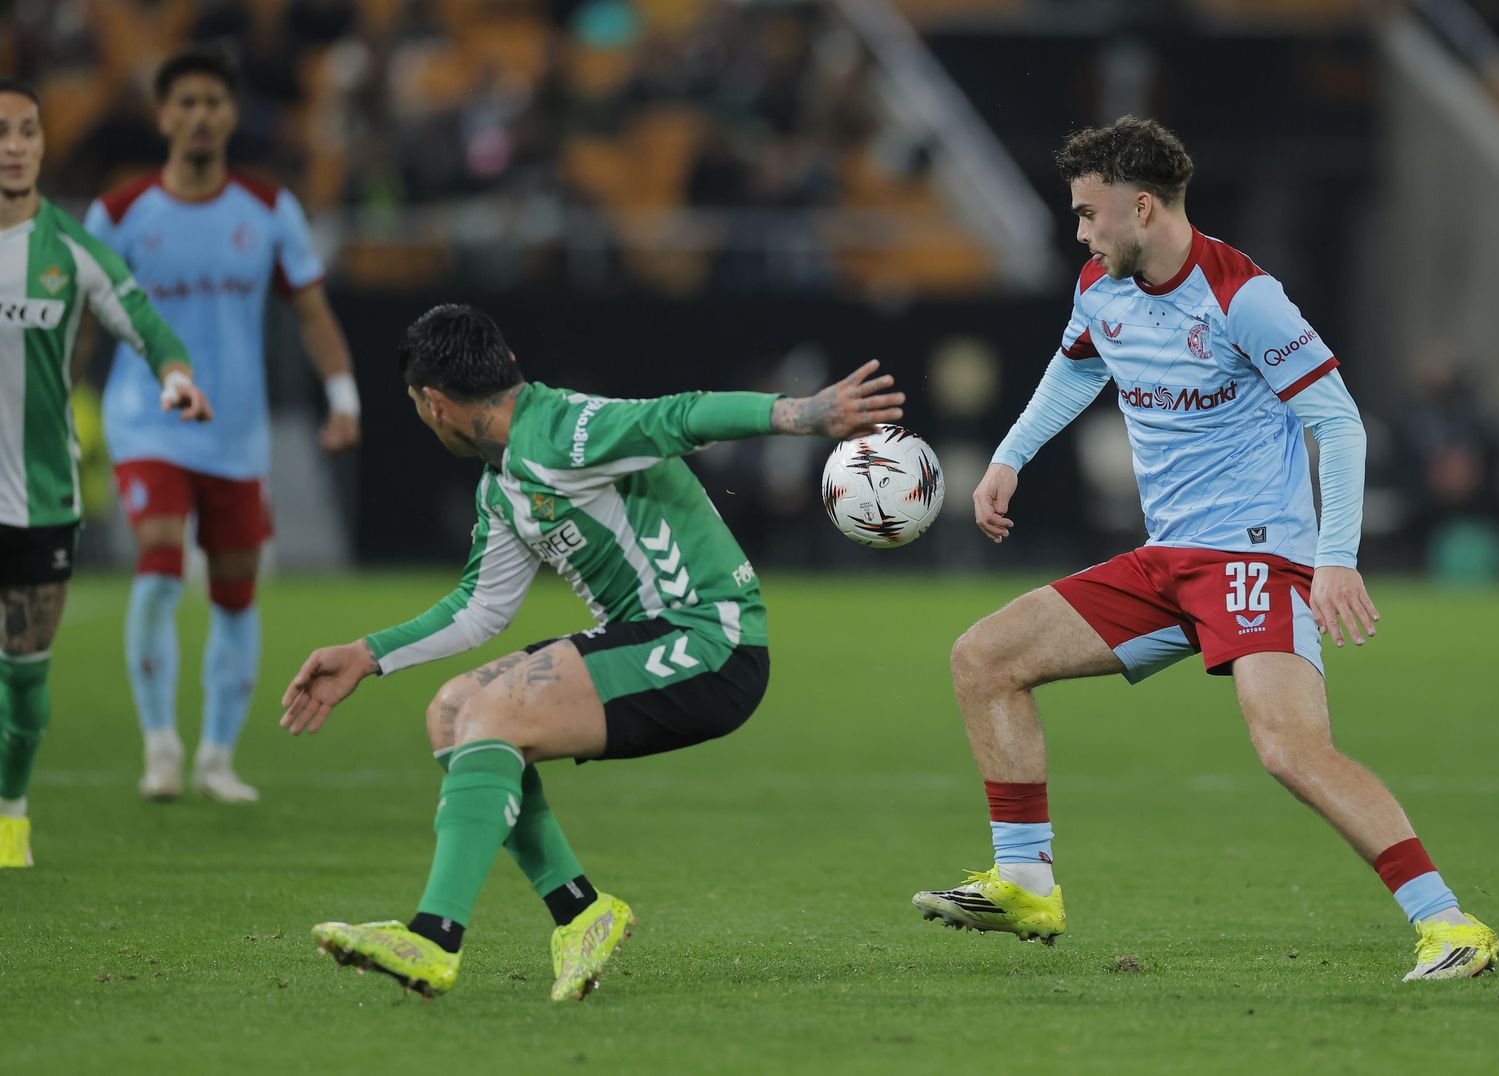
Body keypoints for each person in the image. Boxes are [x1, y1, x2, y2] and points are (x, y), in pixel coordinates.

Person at [909, 117, 1499, 983]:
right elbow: (1079, 367)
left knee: (1290, 750)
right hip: (1167, 561)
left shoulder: (1242, 295)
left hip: (1255, 558)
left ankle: (1450, 924)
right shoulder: (1100, 288)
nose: (1079, 232)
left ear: (1141, 207)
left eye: (1088, 213)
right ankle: (1025, 880)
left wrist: (1335, 556)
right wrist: (1009, 458)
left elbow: (1335, 420)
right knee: (984, 658)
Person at [278, 304, 904, 1001]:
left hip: (710, 641)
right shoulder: (504, 483)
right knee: (454, 712)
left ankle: (433, 936)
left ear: (432, 404)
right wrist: (369, 653)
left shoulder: (564, 432)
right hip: (651, 638)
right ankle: (581, 913)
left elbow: (680, 416)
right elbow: (481, 607)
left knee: (493, 718)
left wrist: (802, 415)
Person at [84, 47, 361, 805]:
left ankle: (216, 755)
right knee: (161, 559)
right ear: (164, 114)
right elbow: (82, 321)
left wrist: (345, 397)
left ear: (231, 115)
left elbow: (311, 311)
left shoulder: (268, 211)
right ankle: (160, 746)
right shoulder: (118, 212)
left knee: (236, 595)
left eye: (214, 102)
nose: (201, 115)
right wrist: (57, 406)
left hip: (238, 433)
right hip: (149, 420)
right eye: (187, 103)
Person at [0, 79, 211, 869]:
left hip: (40, 500)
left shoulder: (73, 252)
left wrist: (177, 376)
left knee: (23, 684)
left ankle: (10, 812)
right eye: (2, 132)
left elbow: (147, 325)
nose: (15, 145)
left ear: (43, 145)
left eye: (28, 131)